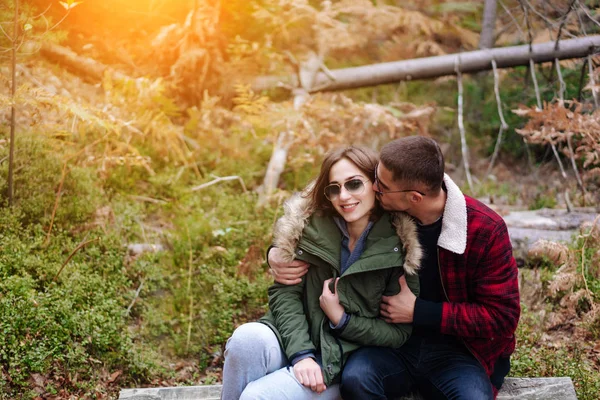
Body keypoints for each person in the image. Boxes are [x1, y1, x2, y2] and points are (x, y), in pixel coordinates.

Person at [268, 136, 521, 400]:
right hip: (391, 346)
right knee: (357, 380)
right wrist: (276, 252)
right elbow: (320, 207)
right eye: (375, 178)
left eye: (381, 185)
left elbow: (502, 317)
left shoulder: (484, 230)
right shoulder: (388, 205)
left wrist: (419, 312)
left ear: (414, 197)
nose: (374, 188)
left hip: (459, 352)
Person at [221, 146, 422, 400]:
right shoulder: (309, 228)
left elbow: (398, 334)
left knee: (256, 396)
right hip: (294, 341)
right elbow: (285, 295)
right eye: (334, 188)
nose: (344, 196)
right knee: (245, 340)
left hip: (340, 360)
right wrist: (301, 355)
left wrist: (342, 320)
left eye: (354, 184)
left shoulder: (399, 245)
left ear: (375, 184)